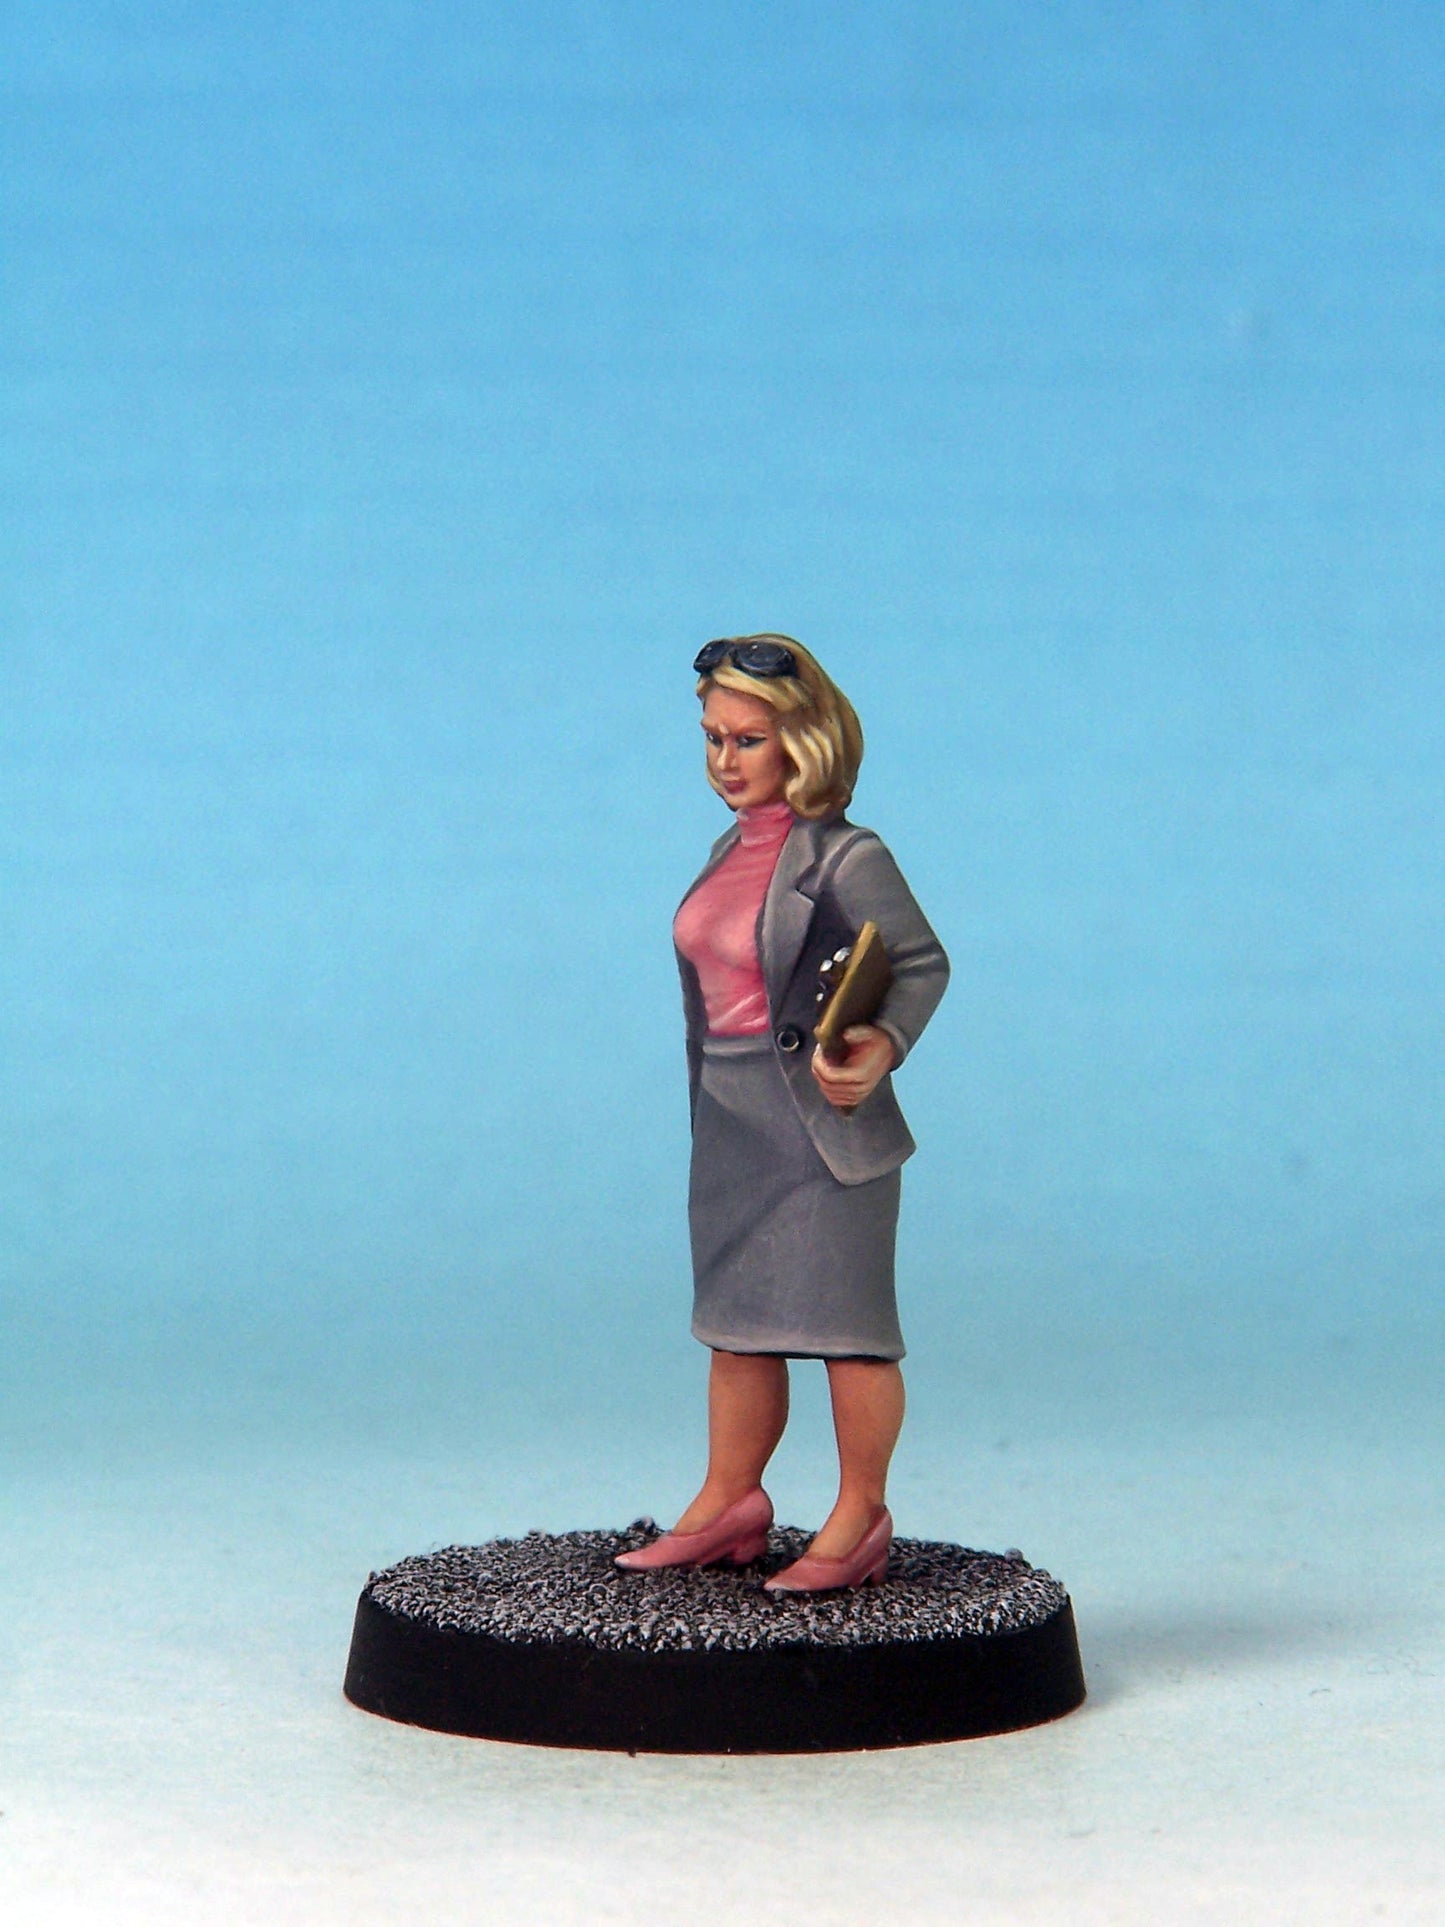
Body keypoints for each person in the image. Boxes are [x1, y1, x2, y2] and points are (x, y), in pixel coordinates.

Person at [615, 635, 949, 1593]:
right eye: (712, 737)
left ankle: (860, 1514)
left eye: (748, 739)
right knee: (735, 1324)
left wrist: (879, 1043)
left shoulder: (847, 855)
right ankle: (729, 1500)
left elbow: (919, 962)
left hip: (820, 1122)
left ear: (803, 741)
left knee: (848, 1329)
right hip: (730, 1117)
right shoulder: (727, 849)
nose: (725, 759)